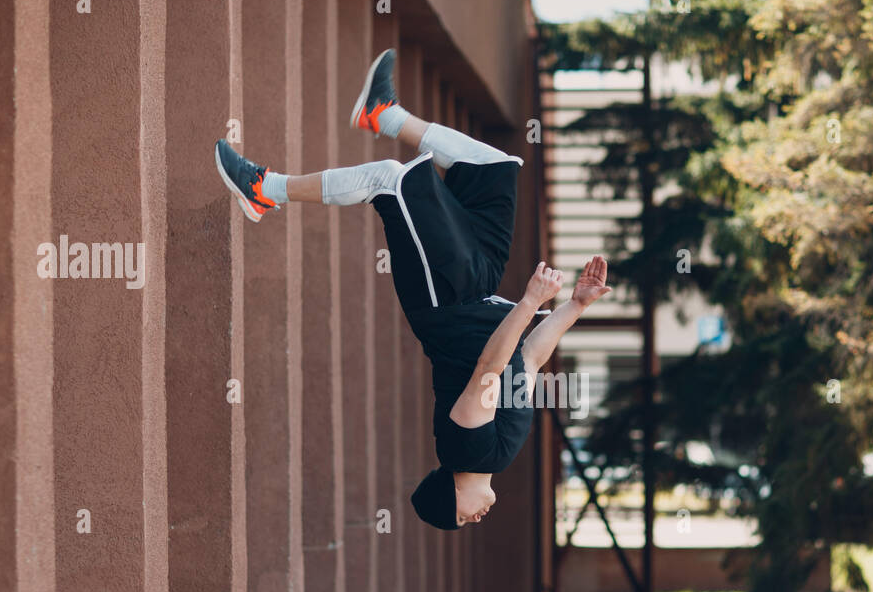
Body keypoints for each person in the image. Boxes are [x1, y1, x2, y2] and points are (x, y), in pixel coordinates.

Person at [214, 48, 611, 529]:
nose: (477, 518)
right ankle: (383, 114)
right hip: (479, 290)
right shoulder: (501, 451)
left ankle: (265, 190)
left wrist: (531, 301)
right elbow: (526, 359)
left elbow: (490, 368)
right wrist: (575, 306)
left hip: (445, 301)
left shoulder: (464, 448)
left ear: (450, 495)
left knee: (389, 181)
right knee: (494, 168)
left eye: (462, 519)